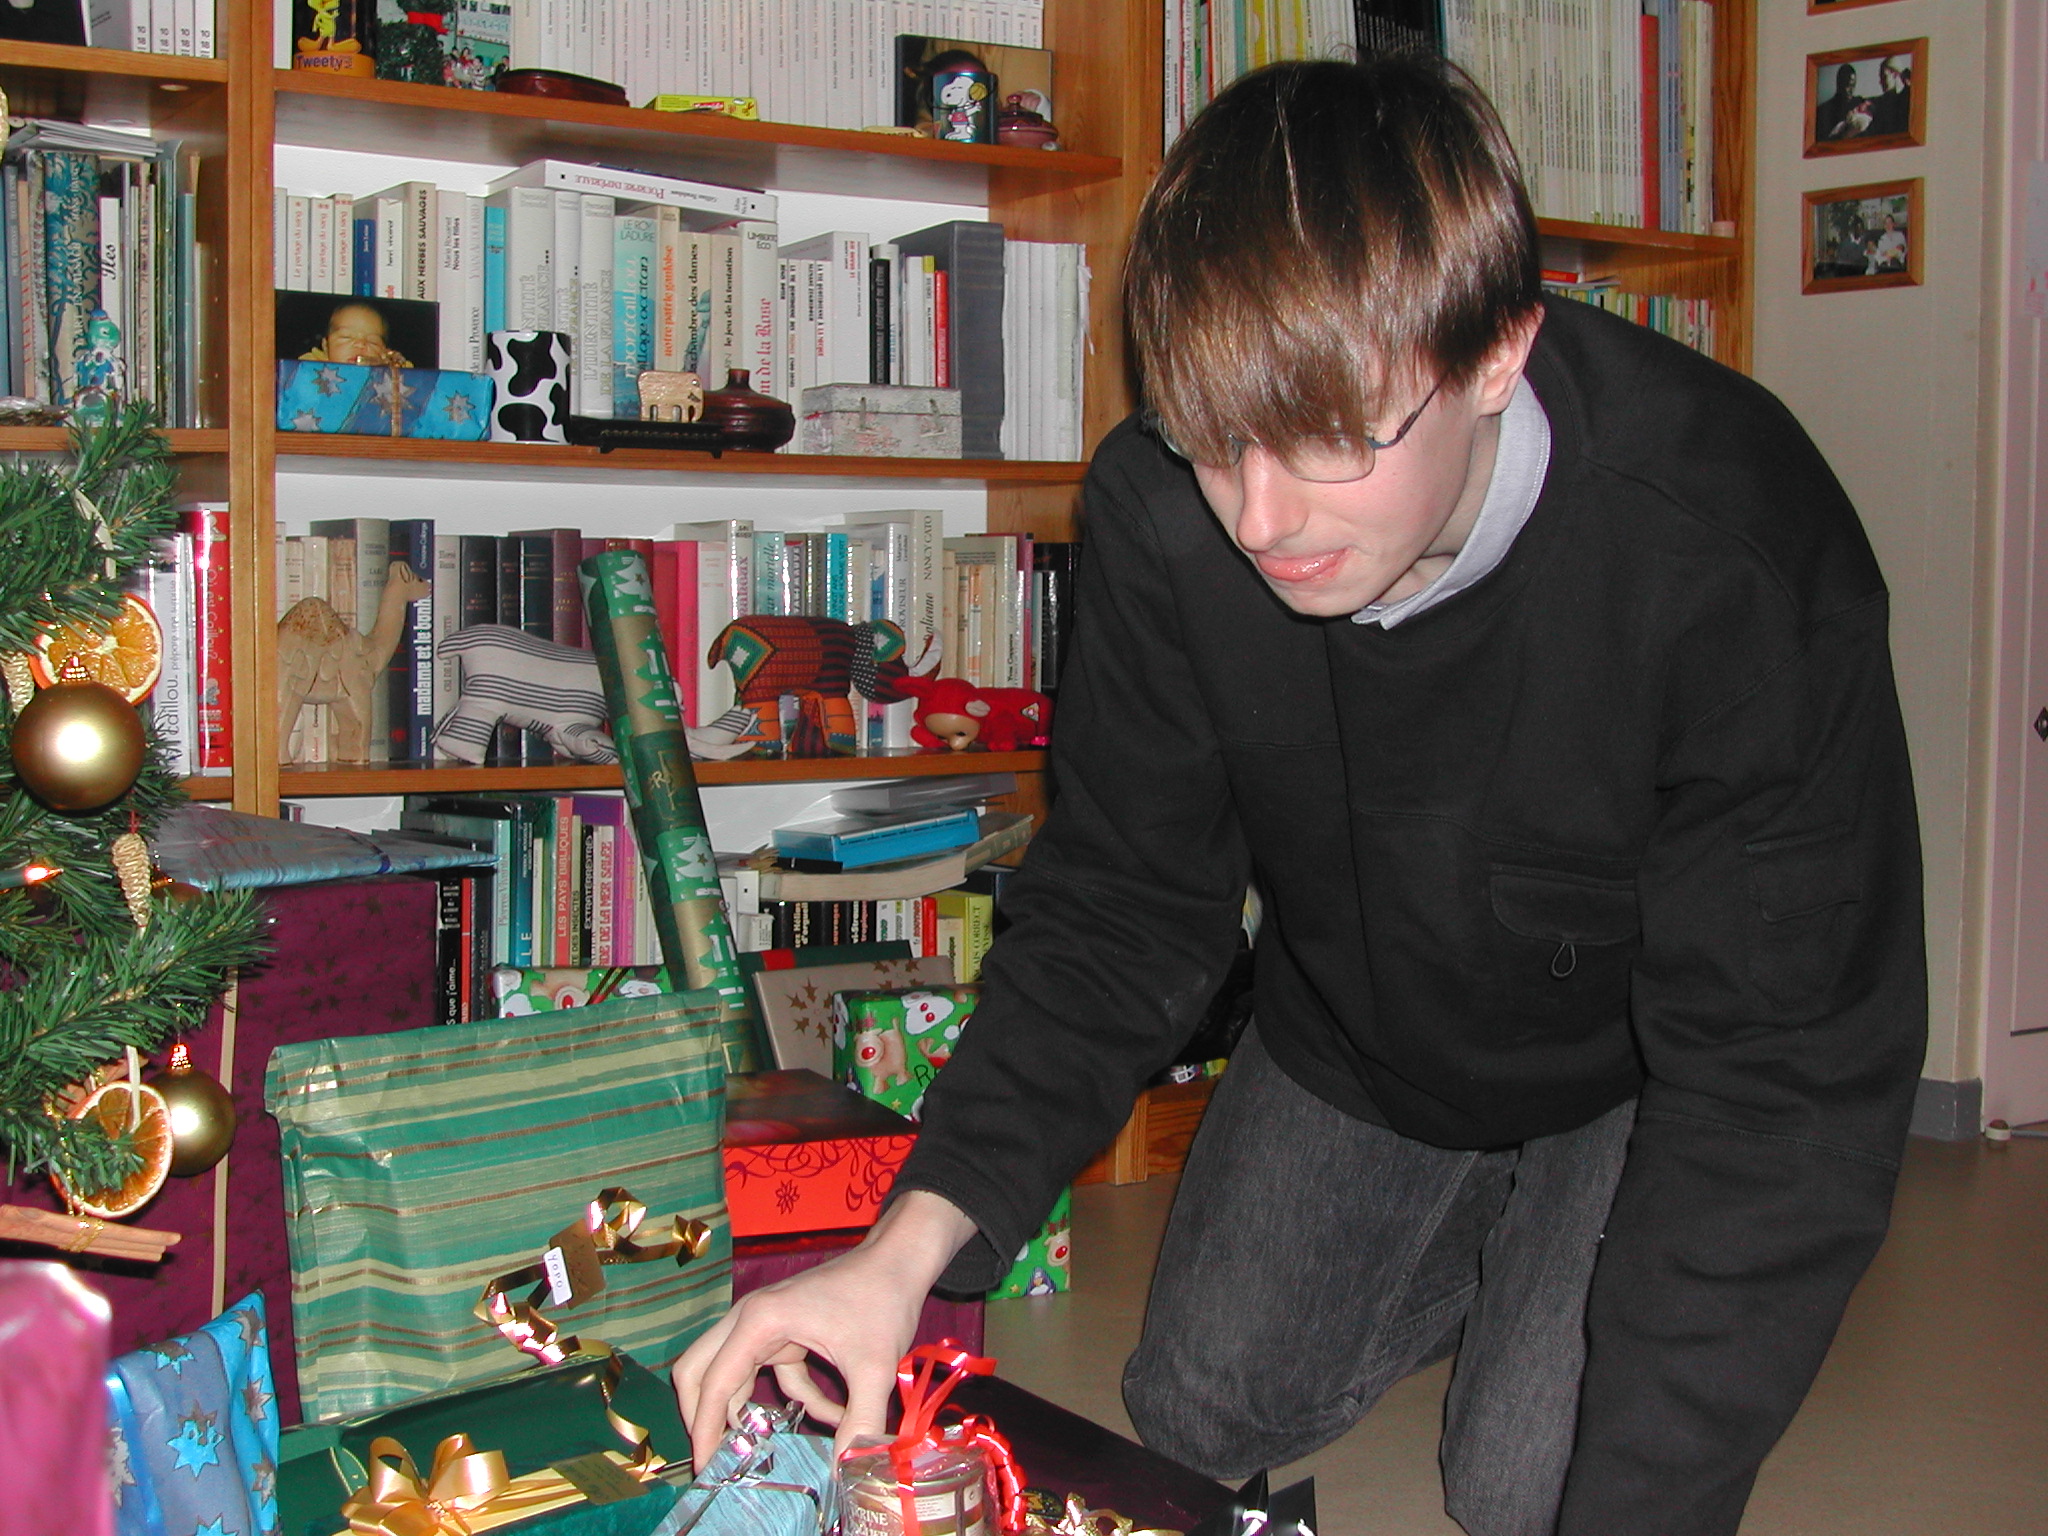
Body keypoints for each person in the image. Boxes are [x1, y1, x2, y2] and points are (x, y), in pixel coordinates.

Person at [675, 54, 1926, 1536]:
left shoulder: (1730, 543)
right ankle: (1504, 1236)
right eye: (1213, 439)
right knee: (1201, 1409)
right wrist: (901, 1252)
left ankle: (1564, 1232)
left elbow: (1779, 1088)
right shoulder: (1164, 508)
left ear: (1496, 355)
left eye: (1333, 437)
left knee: (1532, 1489)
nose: (1262, 518)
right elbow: (1123, 907)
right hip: (1367, 1032)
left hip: (1642, 1070)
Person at [297, 300, 412, 367]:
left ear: (384, 350)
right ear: (326, 346)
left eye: (373, 342)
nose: (360, 344)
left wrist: (392, 363)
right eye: (346, 337)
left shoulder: (384, 370)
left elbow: (411, 377)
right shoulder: (314, 362)